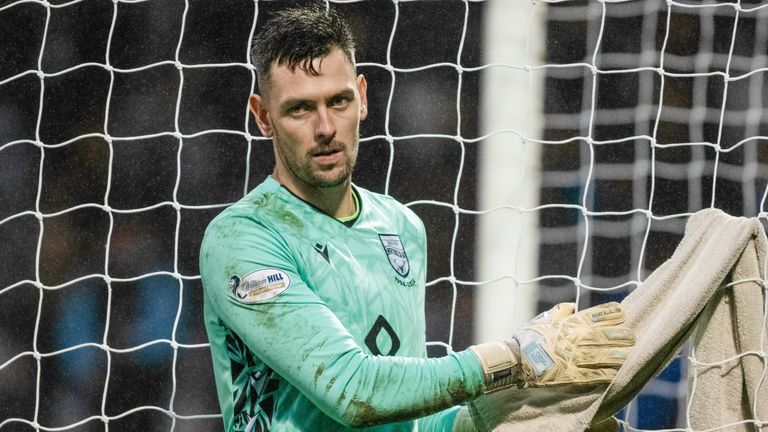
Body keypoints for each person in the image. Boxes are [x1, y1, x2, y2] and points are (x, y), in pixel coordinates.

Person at [198, 3, 635, 431]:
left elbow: (413, 419)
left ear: (363, 98)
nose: (326, 127)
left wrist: (524, 420)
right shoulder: (243, 238)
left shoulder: (401, 227)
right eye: (300, 109)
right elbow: (353, 391)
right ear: (262, 116)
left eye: (339, 101)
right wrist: (515, 359)